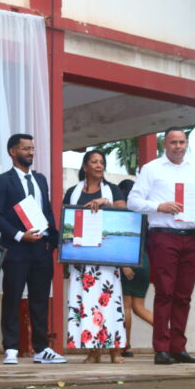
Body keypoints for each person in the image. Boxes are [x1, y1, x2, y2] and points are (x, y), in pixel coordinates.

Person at [127, 127, 195, 365]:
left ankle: (178, 348)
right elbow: (133, 201)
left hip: (191, 236)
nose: (178, 146)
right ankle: (161, 349)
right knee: (165, 293)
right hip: (163, 236)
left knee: (183, 296)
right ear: (165, 144)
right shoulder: (151, 169)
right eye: (174, 142)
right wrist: (159, 206)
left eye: (182, 142)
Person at [0, 133, 67, 365]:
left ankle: (41, 349)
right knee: (12, 297)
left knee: (40, 299)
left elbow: (47, 212)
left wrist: (52, 240)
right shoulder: (3, 180)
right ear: (12, 151)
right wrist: (21, 235)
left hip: (41, 249)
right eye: (25, 148)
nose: (30, 152)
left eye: (32, 148)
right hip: (16, 249)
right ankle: (11, 347)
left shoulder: (41, 179)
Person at [62, 150, 127, 364]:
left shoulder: (113, 190)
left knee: (110, 302)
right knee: (86, 304)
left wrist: (106, 203)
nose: (99, 165)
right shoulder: (72, 192)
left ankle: (115, 350)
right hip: (81, 258)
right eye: (94, 162)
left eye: (102, 162)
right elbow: (66, 219)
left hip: (106, 258)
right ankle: (93, 351)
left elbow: (125, 212)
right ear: (85, 167)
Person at [116, 179, 152, 358]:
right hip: (144, 260)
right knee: (140, 307)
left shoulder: (125, 214)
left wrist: (125, 265)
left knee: (127, 307)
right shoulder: (144, 214)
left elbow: (124, 241)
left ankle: (126, 346)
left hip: (128, 259)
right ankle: (167, 334)